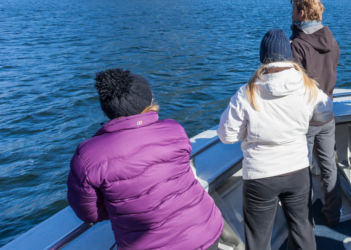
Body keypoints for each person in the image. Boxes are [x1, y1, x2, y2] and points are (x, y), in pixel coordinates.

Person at [67, 69, 223, 250]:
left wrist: (122, 206)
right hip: (206, 229)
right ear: (149, 103)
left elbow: (89, 213)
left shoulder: (87, 156)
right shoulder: (174, 129)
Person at [218, 29, 333, 250]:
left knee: (259, 239)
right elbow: (325, 111)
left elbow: (226, 135)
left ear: (263, 58)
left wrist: (249, 134)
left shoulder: (246, 93)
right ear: (288, 56)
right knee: (303, 230)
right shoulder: (307, 87)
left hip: (260, 176)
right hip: (298, 169)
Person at [290, 0, 342, 226]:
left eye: (293, 10)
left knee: (302, 169)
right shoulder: (332, 41)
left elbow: (293, 85)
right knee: (328, 164)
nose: (291, 14)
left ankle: (305, 221)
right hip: (327, 112)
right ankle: (333, 214)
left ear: (301, 12)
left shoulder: (297, 45)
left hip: (305, 117)